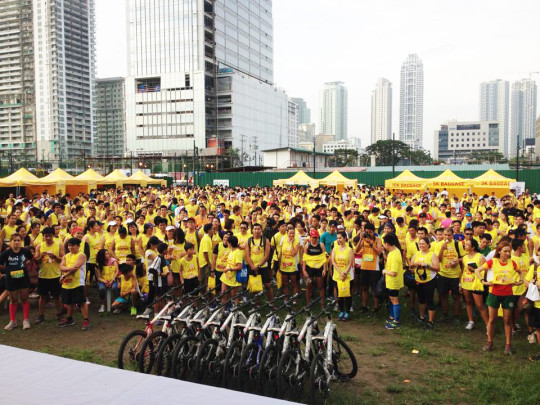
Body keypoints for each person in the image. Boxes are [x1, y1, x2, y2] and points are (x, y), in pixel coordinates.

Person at [476, 240, 523, 354]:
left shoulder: (512, 262)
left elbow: (520, 272)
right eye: (505, 251)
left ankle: (508, 345)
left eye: (509, 251)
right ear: (499, 251)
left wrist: (520, 281)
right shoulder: (492, 261)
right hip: (494, 293)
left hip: (508, 294)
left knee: (507, 320)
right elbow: (478, 270)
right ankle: (489, 342)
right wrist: (483, 281)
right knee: (492, 319)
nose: (508, 253)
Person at [0, 233, 34, 330]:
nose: (16, 242)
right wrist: (7, 270)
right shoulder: (6, 253)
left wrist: (27, 267)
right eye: (14, 240)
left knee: (24, 299)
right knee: (13, 300)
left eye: (18, 240)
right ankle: (13, 321)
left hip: (23, 279)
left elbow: (32, 258)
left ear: (21, 241)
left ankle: (25, 320)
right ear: (11, 242)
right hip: (11, 280)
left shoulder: (25, 251)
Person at [34, 227, 65, 324]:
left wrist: (55, 257)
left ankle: (60, 314)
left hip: (55, 275)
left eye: (50, 236)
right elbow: (36, 260)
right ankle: (41, 316)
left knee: (57, 296)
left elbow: (63, 259)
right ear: (43, 236)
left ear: (53, 236)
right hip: (43, 275)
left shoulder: (59, 245)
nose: (48, 238)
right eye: (46, 236)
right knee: (42, 296)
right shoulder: (39, 246)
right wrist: (41, 257)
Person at [59, 237, 89, 330]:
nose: (70, 247)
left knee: (82, 302)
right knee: (68, 302)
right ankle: (69, 319)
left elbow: (75, 268)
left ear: (78, 246)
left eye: (72, 245)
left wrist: (64, 275)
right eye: (69, 245)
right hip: (67, 283)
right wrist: (70, 268)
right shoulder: (66, 256)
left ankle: (86, 320)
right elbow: (61, 267)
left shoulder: (81, 255)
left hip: (77, 282)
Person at [410, 237, 440, 329]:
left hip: (429, 280)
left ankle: (430, 321)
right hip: (419, 280)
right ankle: (422, 317)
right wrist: (415, 264)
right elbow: (411, 265)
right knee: (421, 299)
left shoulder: (432, 255)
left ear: (428, 244)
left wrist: (427, 265)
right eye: (420, 244)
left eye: (423, 244)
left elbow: (437, 268)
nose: (421, 245)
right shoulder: (416, 254)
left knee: (429, 300)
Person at [460, 239, 488, 330]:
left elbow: (485, 271)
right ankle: (471, 321)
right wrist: (460, 284)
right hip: (466, 282)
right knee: (468, 302)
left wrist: (474, 270)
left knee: (480, 305)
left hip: (476, 283)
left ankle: (488, 325)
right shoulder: (464, 258)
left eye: (467, 245)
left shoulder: (480, 257)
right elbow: (463, 270)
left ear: (473, 247)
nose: (465, 246)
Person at [357, 223, 383, 316]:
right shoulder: (363, 239)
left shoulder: (377, 239)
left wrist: (371, 243)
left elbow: (379, 252)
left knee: (374, 288)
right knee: (364, 288)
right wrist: (361, 239)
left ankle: (375, 308)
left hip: (374, 268)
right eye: (367, 232)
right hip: (364, 266)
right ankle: (364, 307)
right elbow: (356, 250)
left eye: (370, 232)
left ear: (373, 232)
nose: (368, 234)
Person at [382, 233, 404, 330]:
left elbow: (394, 273)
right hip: (390, 281)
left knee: (395, 300)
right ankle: (392, 317)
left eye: (384, 243)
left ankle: (396, 321)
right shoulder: (392, 252)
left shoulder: (395, 254)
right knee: (391, 299)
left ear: (387, 243)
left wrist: (384, 271)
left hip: (394, 282)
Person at [245, 223, 272, 300]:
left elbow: (266, 256)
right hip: (252, 266)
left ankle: (271, 301)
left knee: (267, 285)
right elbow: (247, 255)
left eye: (258, 229)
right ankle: (256, 302)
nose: (256, 231)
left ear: (261, 230)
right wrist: (252, 266)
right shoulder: (248, 241)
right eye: (255, 229)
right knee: (254, 284)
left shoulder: (265, 240)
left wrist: (259, 265)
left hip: (263, 266)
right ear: (252, 230)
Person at [331, 230, 354, 321]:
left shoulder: (349, 250)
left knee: (347, 294)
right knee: (339, 294)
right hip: (338, 275)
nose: (338, 240)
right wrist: (340, 272)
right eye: (337, 238)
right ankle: (341, 311)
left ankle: (347, 312)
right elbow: (333, 261)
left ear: (345, 238)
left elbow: (350, 263)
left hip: (347, 276)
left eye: (340, 238)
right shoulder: (335, 248)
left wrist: (345, 273)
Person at [302, 228, 326, 307]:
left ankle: (322, 304)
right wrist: (303, 270)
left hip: (319, 267)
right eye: (313, 238)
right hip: (310, 268)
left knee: (320, 285)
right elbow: (304, 259)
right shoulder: (307, 246)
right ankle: (308, 303)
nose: (314, 239)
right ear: (310, 237)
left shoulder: (321, 245)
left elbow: (324, 258)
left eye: (316, 238)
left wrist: (324, 269)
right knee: (308, 285)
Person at [95, 248, 120, 313]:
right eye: (106, 254)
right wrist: (104, 281)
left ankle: (116, 305)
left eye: (108, 253)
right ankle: (102, 304)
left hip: (113, 279)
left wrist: (112, 280)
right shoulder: (98, 265)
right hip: (103, 280)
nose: (108, 255)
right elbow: (99, 277)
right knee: (102, 289)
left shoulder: (113, 261)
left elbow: (117, 271)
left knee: (115, 288)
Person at [220, 235, 243, 304]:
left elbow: (240, 267)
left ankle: (236, 308)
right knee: (223, 293)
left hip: (234, 277)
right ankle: (223, 308)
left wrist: (229, 269)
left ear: (230, 244)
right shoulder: (231, 251)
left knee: (234, 295)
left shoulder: (238, 253)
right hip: (226, 276)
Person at [279, 226, 300, 297]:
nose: (291, 235)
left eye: (293, 233)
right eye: (290, 233)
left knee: (294, 283)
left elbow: (294, 253)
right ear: (287, 233)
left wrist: (291, 244)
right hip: (284, 265)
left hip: (292, 266)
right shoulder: (283, 239)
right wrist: (279, 264)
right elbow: (281, 253)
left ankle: (295, 299)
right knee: (285, 283)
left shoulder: (297, 241)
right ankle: (286, 298)